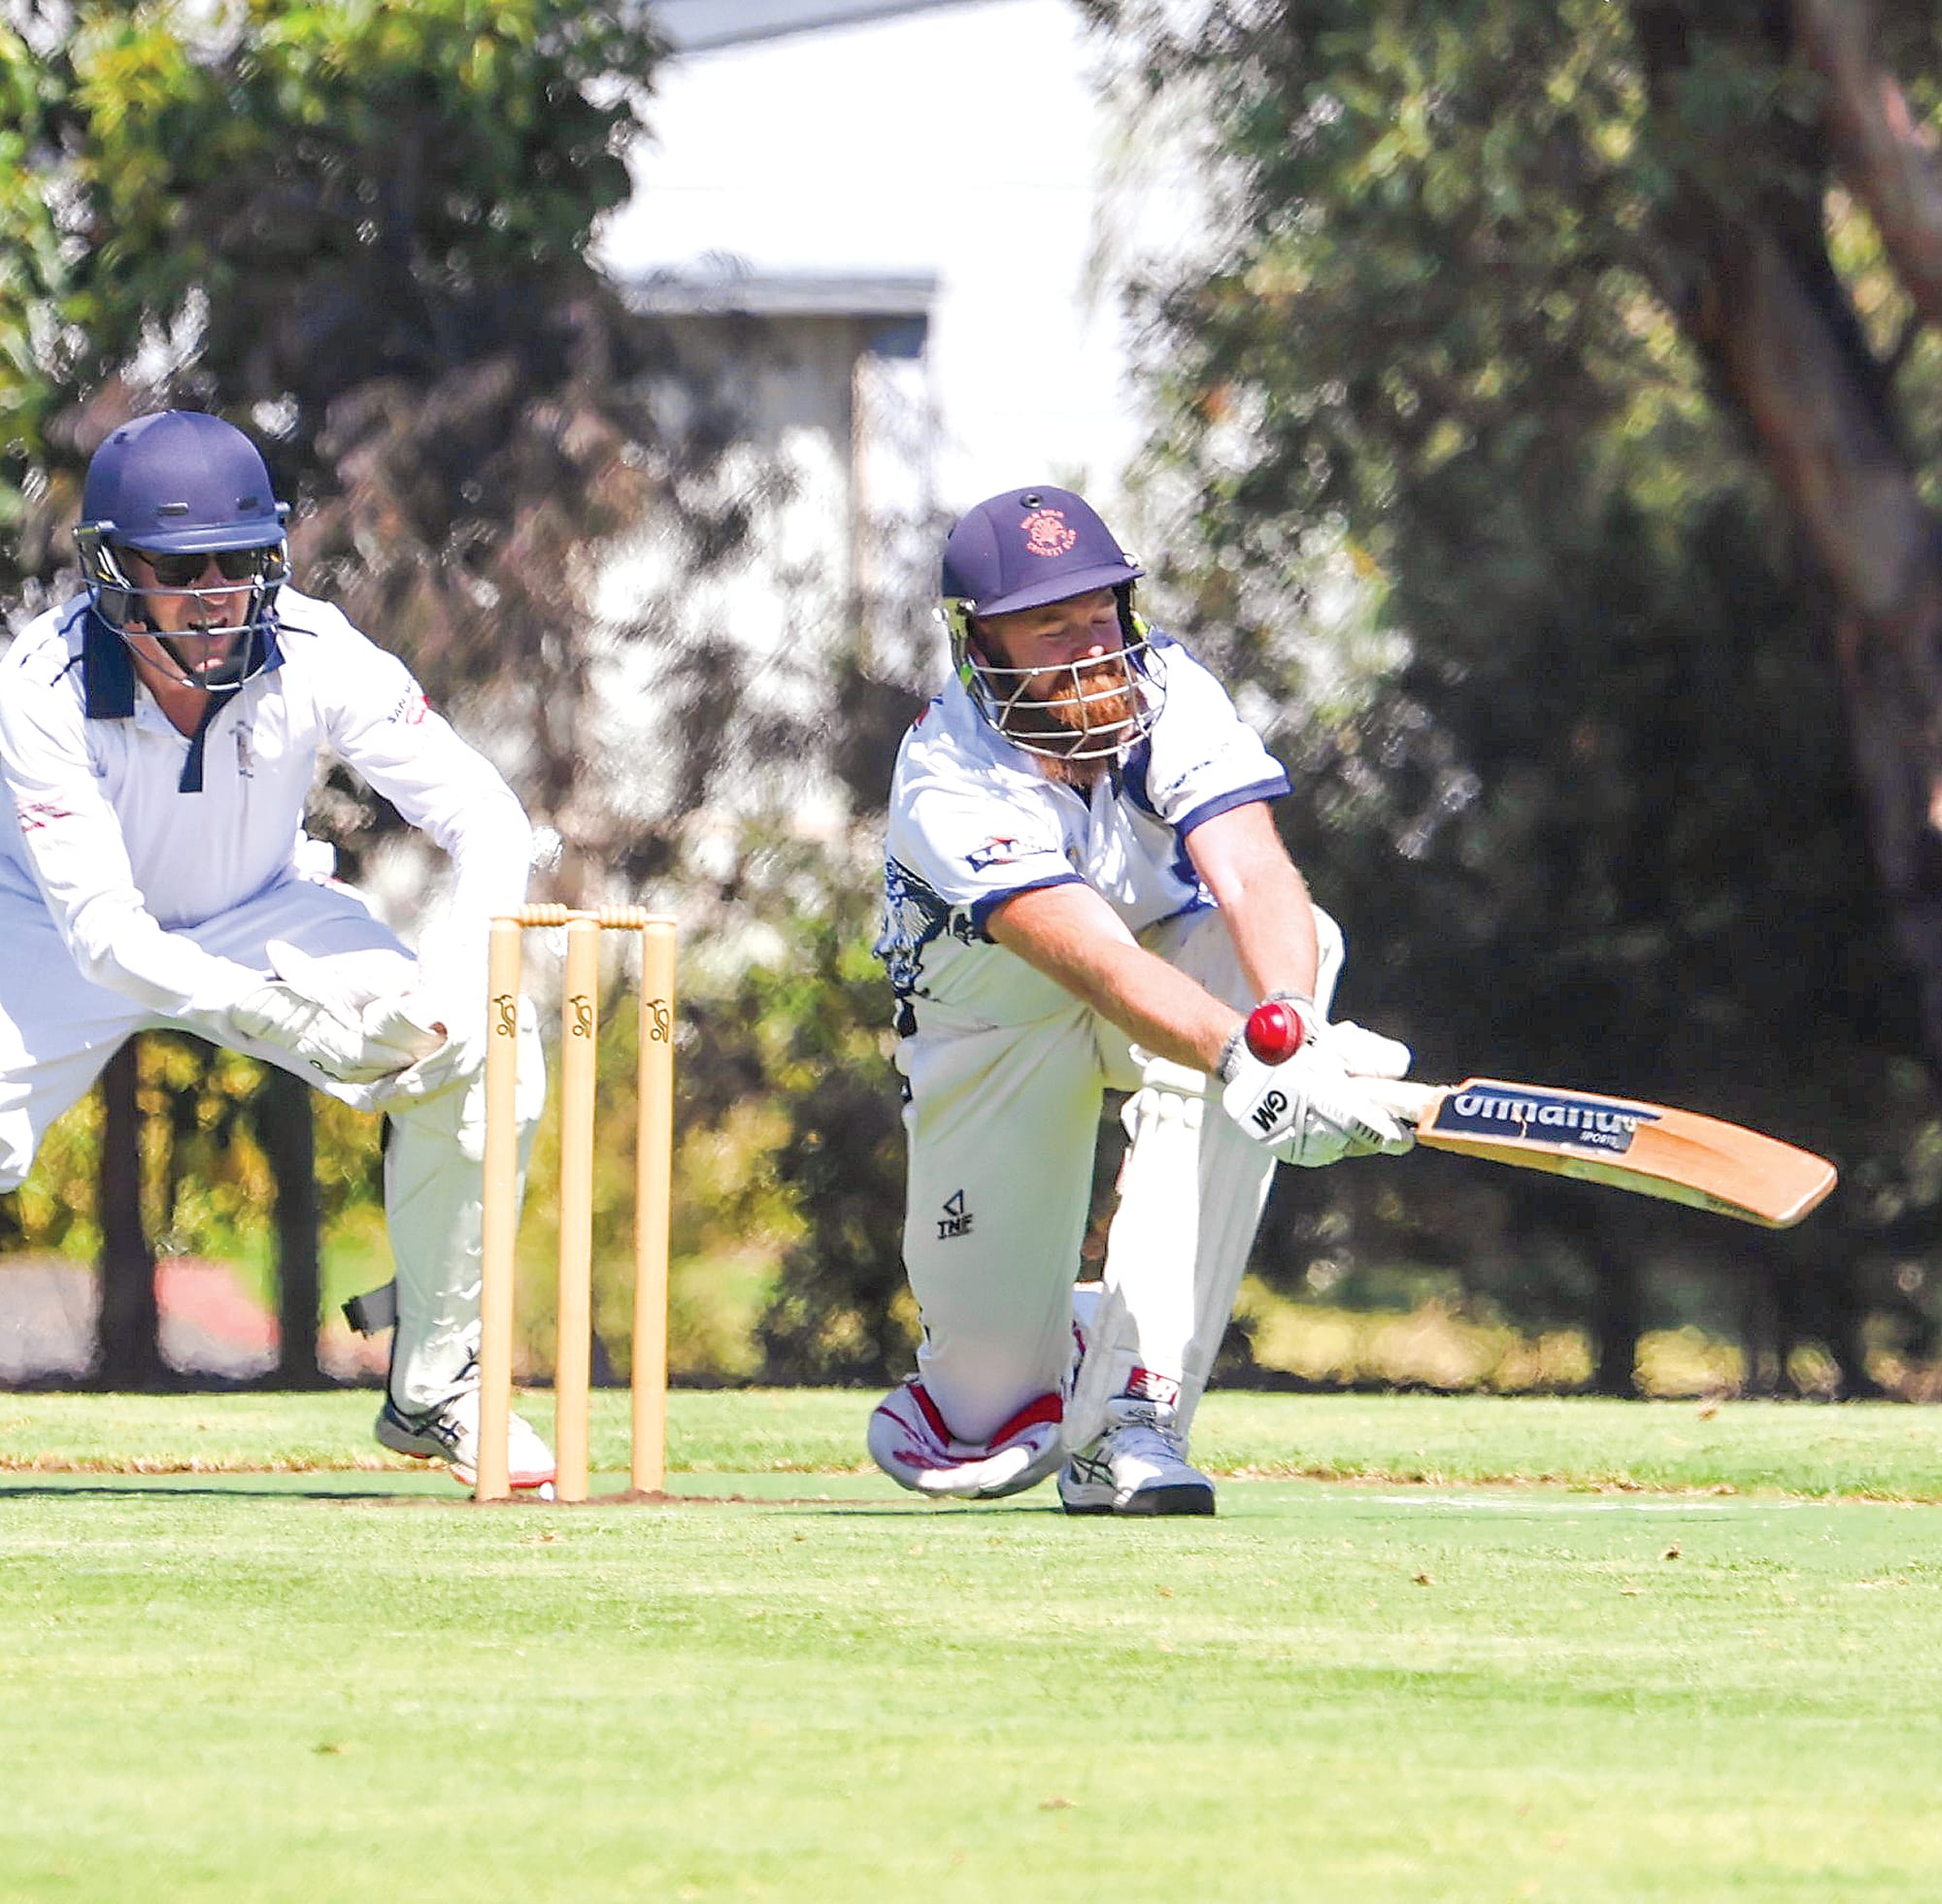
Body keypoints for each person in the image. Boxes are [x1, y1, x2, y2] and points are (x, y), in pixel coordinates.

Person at [0, 409, 552, 1486]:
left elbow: (488, 820)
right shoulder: (42, 686)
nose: (215, 596)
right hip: (48, 929)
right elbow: (109, 937)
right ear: (114, 570)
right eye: (181, 566)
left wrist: (448, 989)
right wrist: (273, 1014)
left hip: (259, 907)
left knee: (493, 1052)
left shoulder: (312, 646)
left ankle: (437, 1384)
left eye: (240, 562)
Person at [867, 484, 1415, 1516]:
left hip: (1169, 974)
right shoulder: (946, 775)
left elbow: (1250, 873)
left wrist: (1288, 1032)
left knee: (1298, 956)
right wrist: (1242, 1060)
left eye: (1100, 612)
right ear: (977, 640)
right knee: (982, 1416)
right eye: (1048, 624)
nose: (1089, 645)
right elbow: (1094, 969)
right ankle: (1059, 1332)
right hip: (995, 1032)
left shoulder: (1168, 688)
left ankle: (1131, 1407)